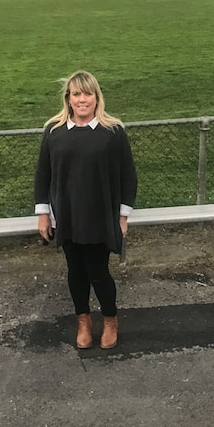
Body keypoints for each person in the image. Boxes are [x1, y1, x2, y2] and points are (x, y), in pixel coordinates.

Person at [34, 70, 137, 350]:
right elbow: (43, 174)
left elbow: (128, 175)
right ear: (68, 98)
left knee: (98, 271)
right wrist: (43, 213)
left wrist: (122, 216)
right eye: (76, 94)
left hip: (100, 216)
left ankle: (110, 319)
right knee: (75, 271)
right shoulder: (54, 131)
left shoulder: (112, 131)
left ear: (96, 97)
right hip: (66, 216)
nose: (82, 99)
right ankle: (83, 321)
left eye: (88, 93)